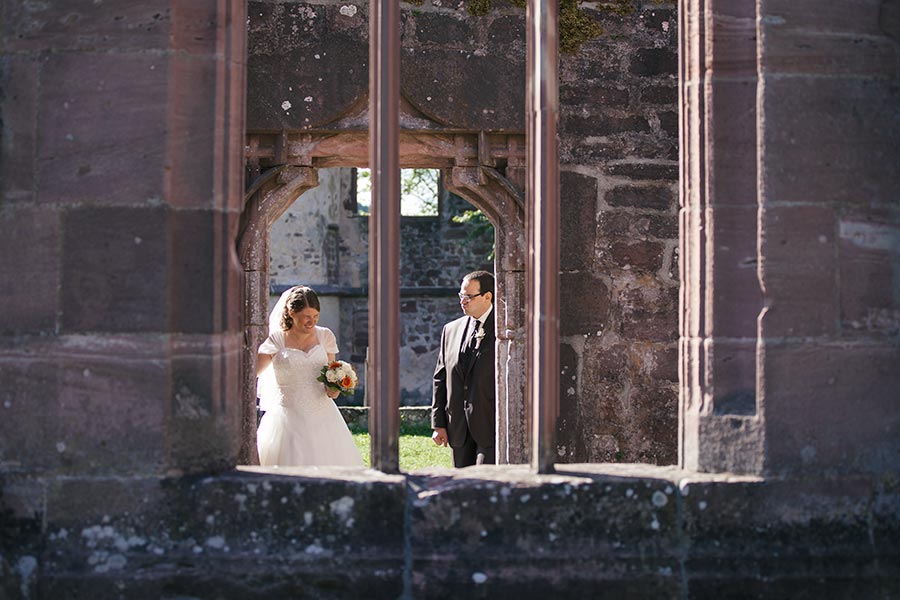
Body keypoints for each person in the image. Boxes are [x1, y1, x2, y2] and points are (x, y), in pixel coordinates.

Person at [256, 285, 363, 467]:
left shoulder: (325, 336)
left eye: (315, 317)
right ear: (291, 312)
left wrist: (335, 388)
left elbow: (331, 372)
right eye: (306, 317)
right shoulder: (276, 339)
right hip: (286, 417)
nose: (311, 322)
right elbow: (253, 372)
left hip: (322, 415)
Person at [431, 270, 496, 467]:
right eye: (461, 295)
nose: (463, 301)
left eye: (469, 296)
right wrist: (438, 423)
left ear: (487, 296)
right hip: (458, 428)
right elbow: (440, 378)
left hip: (491, 425)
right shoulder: (450, 330)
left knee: (487, 484)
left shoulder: (505, 328)